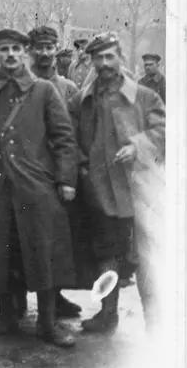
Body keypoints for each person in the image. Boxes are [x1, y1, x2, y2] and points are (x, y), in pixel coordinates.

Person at [0, 29, 78, 348]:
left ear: (24, 52)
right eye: (3, 49)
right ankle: (7, 314)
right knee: (1, 251)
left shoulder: (44, 91)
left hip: (37, 188)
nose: (10, 55)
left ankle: (48, 322)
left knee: (43, 253)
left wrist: (66, 180)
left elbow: (64, 137)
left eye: (15, 49)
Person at [69, 33, 165, 334]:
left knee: (147, 257)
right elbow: (70, 136)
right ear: (92, 61)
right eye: (99, 57)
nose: (105, 63)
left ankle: (156, 322)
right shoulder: (83, 99)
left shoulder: (144, 95)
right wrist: (83, 166)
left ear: (121, 57)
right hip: (100, 191)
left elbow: (163, 130)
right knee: (105, 253)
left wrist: (137, 146)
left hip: (138, 190)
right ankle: (107, 314)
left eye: (110, 56)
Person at [27, 26, 86, 319]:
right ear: (31, 50)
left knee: (60, 240)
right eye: (39, 46)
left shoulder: (69, 89)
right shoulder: (21, 83)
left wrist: (69, 174)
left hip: (58, 173)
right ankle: (14, 305)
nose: (46, 52)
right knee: (21, 236)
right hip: (27, 172)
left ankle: (56, 298)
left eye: (50, 46)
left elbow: (74, 135)